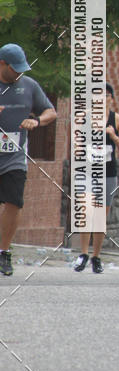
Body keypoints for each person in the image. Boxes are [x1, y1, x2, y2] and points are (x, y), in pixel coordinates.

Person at [0, 44, 57, 276]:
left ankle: (4, 252)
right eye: (15, 69)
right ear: (2, 64)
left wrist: (37, 121)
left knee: (15, 203)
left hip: (14, 157)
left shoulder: (30, 86)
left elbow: (51, 112)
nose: (19, 73)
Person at [74, 84, 119, 274]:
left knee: (100, 216)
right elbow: (76, 144)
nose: (100, 99)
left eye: (105, 95)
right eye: (96, 95)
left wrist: (113, 136)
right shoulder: (83, 118)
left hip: (108, 172)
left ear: (111, 99)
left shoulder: (118, 120)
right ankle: (83, 253)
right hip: (87, 171)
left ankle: (96, 256)